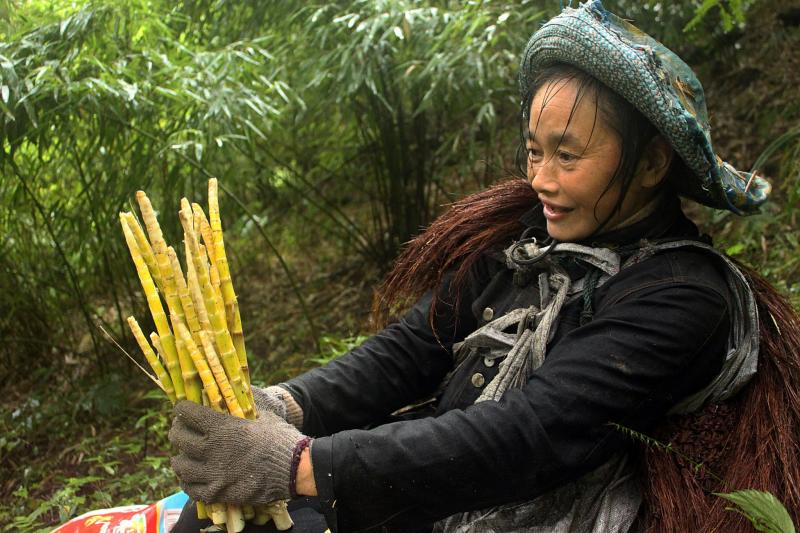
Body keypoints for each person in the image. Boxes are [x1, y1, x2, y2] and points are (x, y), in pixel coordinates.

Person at [168, 1, 800, 531]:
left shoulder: (683, 295)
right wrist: (288, 405)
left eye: (567, 155)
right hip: (441, 484)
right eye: (532, 150)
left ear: (653, 164)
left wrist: (304, 464)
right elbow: (414, 346)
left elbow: (532, 431)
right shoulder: (527, 242)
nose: (540, 179)